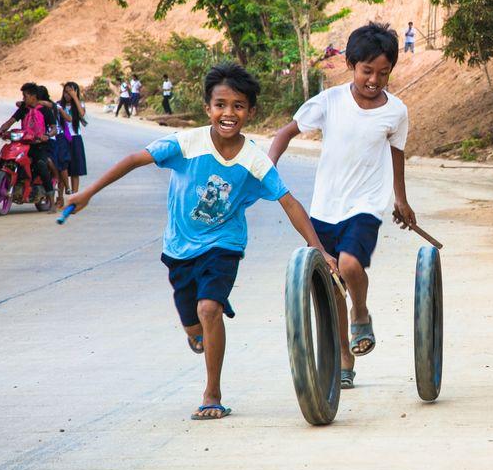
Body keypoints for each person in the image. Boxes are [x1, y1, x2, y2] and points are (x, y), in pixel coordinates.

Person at [67, 63, 338, 420]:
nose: (229, 113)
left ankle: (212, 393)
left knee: (209, 308)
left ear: (250, 112)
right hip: (179, 247)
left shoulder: (254, 160)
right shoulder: (185, 144)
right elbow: (135, 159)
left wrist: (319, 249)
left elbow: (289, 202)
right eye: (221, 104)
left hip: (224, 244)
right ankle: (197, 333)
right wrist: (87, 192)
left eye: (238, 106)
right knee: (193, 320)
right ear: (208, 108)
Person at [268, 22, 413, 391]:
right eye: (367, 71)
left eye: (383, 73)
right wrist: (267, 169)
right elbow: (285, 134)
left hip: (366, 205)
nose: (374, 80)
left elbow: (397, 156)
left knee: (349, 264)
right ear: (351, 65)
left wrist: (400, 199)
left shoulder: (395, 112)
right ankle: (345, 359)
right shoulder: (329, 102)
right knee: (332, 289)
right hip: (324, 208)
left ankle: (361, 312)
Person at [0, 82, 55, 202]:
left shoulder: (45, 110)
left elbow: (54, 128)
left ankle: (51, 198)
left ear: (33, 96)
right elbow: (10, 121)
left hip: (39, 145)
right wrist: (0, 130)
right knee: (5, 160)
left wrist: (47, 135)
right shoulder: (23, 109)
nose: (23, 98)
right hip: (23, 144)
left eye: (25, 96)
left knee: (41, 165)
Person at [62, 82, 87, 195]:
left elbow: (82, 114)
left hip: (75, 138)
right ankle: (62, 196)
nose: (68, 94)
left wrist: (75, 98)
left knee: (75, 169)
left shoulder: (79, 105)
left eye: (70, 92)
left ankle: (75, 194)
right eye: (66, 92)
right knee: (62, 168)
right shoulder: (59, 105)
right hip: (62, 138)